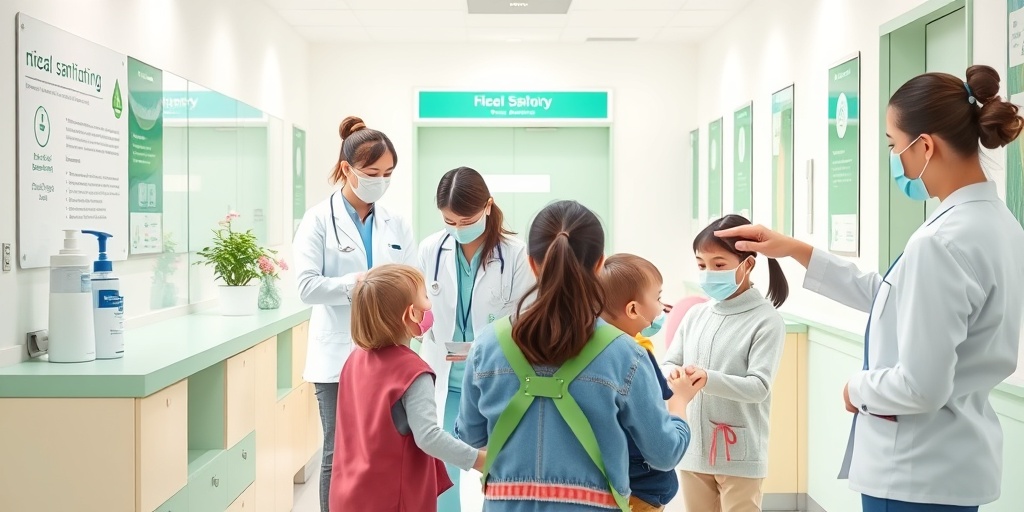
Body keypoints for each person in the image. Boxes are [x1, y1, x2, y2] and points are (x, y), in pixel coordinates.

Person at [715, 65, 1024, 512]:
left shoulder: (939, 242)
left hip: (913, 473)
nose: (895, 158)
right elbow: (893, 297)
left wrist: (856, 389)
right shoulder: (1000, 225)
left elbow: (922, 386)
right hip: (958, 464)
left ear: (925, 146)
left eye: (894, 145)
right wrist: (795, 248)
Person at [456, 200, 701, 512]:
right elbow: (663, 453)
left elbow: (471, 435)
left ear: (532, 263)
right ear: (599, 265)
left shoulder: (487, 345)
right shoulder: (625, 354)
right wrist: (678, 402)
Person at [292, 116, 417, 512]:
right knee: (337, 452)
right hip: (337, 358)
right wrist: (359, 284)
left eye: (388, 173)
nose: (380, 181)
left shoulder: (395, 222)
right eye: (372, 172)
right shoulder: (317, 219)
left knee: (388, 447)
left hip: (388, 357)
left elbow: (412, 282)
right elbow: (306, 287)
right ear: (347, 169)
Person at [416, 166, 535, 512]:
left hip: (498, 378)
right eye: (449, 222)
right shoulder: (431, 249)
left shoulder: (515, 254)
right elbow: (423, 308)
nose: (458, 230)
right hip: (446, 378)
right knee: (442, 472)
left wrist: (484, 347)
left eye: (466, 221)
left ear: (487, 206)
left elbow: (525, 318)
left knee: (501, 468)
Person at [329, 264, 485, 512]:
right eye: (425, 296)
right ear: (411, 314)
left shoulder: (354, 360)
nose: (430, 305)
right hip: (392, 500)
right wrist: (479, 460)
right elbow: (429, 437)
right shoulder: (413, 373)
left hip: (350, 494)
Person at [664, 214, 788, 512]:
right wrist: (675, 374)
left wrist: (708, 379)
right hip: (694, 451)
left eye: (719, 265)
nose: (708, 273)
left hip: (739, 456)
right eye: (701, 265)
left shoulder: (766, 320)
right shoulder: (696, 314)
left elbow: (759, 387)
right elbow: (669, 362)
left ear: (747, 264)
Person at [597, 254, 678, 512]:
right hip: (639, 489)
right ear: (633, 309)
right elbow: (662, 443)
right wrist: (683, 398)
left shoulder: (588, 351)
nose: (662, 306)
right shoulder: (636, 356)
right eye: (658, 298)